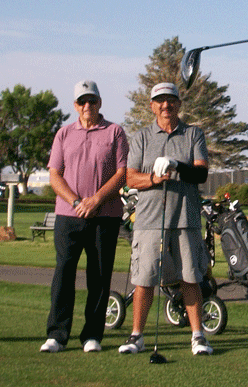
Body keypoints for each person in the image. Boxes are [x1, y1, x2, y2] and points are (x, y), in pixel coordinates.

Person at [118, 82, 212, 357]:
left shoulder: (194, 134)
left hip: (186, 217)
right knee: (144, 278)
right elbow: (129, 177)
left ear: (179, 104)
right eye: (160, 101)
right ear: (152, 106)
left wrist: (176, 165)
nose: (165, 105)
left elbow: (200, 174)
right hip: (149, 219)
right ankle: (137, 336)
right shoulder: (142, 137)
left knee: (190, 278)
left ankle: (198, 336)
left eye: (171, 100)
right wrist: (154, 179)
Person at [40, 80, 129, 353]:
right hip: (69, 215)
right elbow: (55, 174)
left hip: (105, 216)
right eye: (82, 101)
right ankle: (57, 334)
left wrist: (96, 199)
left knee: (99, 277)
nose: (87, 106)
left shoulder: (115, 132)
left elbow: (122, 173)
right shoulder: (64, 134)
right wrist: (77, 202)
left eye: (92, 101)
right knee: (64, 274)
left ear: (99, 102)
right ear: (75, 106)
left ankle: (92, 335)